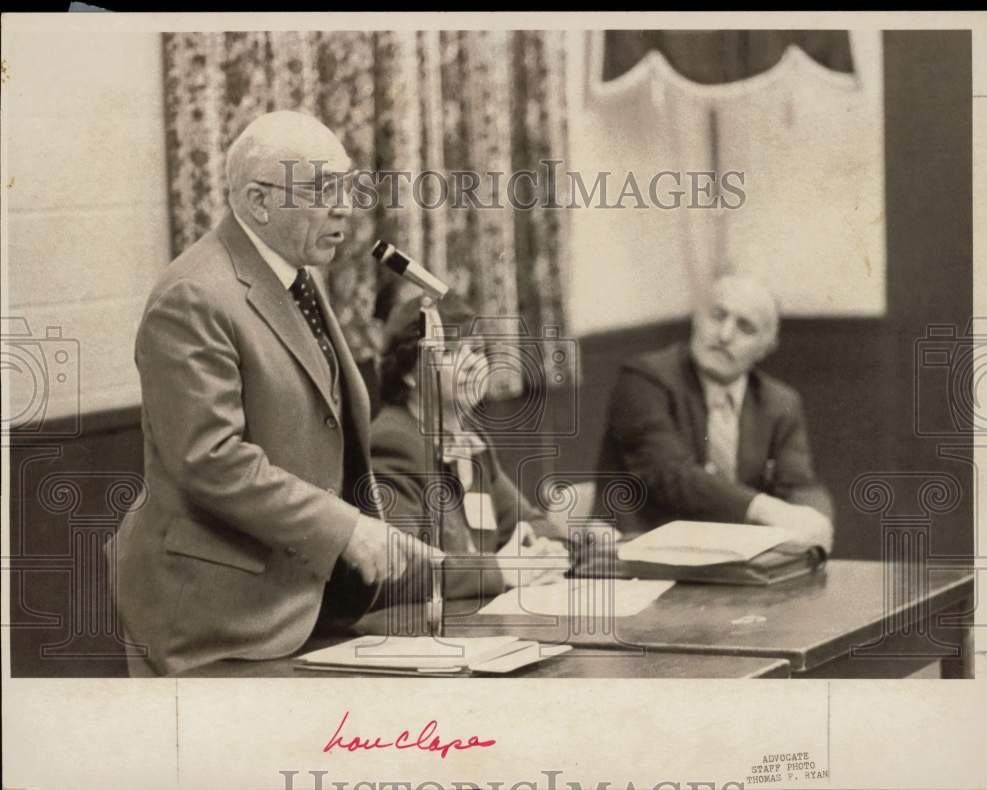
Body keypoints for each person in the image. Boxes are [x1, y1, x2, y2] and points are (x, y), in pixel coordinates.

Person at [106, 111, 422, 676]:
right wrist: (343, 528)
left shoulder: (294, 273)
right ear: (257, 201)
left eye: (347, 185)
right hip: (215, 620)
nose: (344, 206)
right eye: (324, 188)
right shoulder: (194, 296)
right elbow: (209, 459)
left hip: (300, 603)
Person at [599, 274, 834, 552]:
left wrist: (815, 519)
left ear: (766, 348)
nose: (724, 335)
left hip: (737, 564)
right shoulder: (644, 379)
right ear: (697, 319)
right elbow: (670, 475)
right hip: (642, 555)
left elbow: (799, 483)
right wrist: (763, 508)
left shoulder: (779, 402)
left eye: (745, 328)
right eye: (717, 316)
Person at [370, 293, 571, 604]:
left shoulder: (470, 440)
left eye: (477, 350)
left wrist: (547, 550)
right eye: (450, 352)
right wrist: (500, 571)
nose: (472, 364)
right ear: (408, 372)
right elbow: (400, 568)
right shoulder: (392, 442)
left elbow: (531, 522)